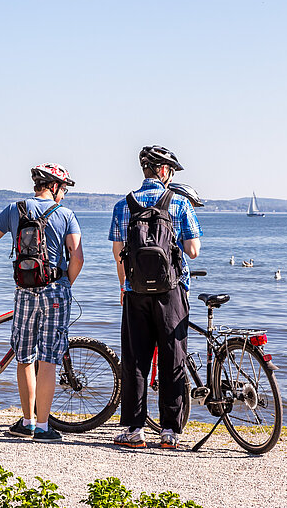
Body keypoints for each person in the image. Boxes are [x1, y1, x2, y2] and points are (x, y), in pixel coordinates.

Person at [0, 163, 83, 443]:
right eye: (64, 188)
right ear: (54, 186)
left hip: (24, 290)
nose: (64, 194)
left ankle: (27, 422)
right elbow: (77, 258)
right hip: (55, 290)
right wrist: (64, 283)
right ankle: (43, 428)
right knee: (48, 359)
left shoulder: (14, 210)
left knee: (25, 357)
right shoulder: (66, 215)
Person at [109, 145, 201, 450]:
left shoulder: (124, 205)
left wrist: (125, 287)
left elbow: (117, 253)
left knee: (135, 359)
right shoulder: (178, 203)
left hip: (135, 292)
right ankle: (170, 432)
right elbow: (193, 251)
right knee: (172, 358)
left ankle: (134, 430)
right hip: (172, 291)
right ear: (163, 171)